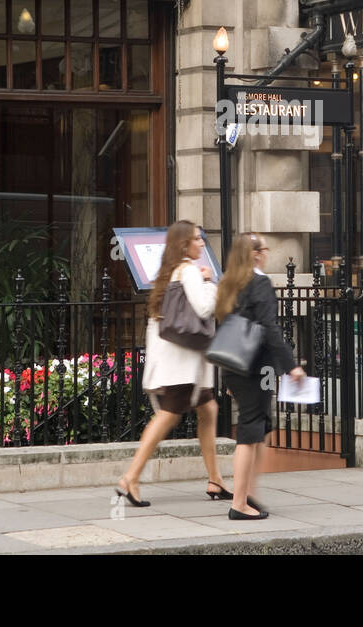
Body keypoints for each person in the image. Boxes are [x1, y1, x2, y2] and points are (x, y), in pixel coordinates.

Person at [116, 220, 232, 507]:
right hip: (183, 364)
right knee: (168, 415)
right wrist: (210, 282)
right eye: (197, 239)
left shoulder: (167, 274)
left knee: (209, 408)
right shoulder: (189, 272)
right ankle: (130, 477)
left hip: (177, 360)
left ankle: (215, 479)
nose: (202, 244)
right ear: (183, 244)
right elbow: (205, 308)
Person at [214, 233, 305, 521]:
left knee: (261, 426)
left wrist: (229, 378)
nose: (266, 253)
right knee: (250, 430)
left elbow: (226, 327)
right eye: (263, 249)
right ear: (254, 255)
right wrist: (292, 366)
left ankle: (248, 493)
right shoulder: (259, 283)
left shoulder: (229, 283)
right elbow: (270, 328)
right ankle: (239, 503)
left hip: (234, 368)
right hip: (256, 369)